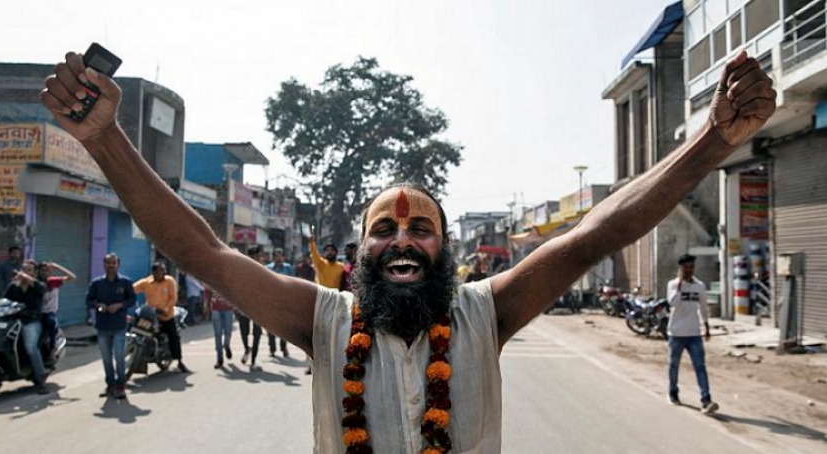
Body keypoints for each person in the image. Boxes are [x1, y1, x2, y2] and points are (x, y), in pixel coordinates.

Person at [43, 49, 775, 452]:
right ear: (360, 249)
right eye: (385, 230)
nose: (402, 239)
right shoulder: (322, 320)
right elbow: (204, 253)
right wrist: (106, 139)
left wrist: (711, 142)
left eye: (420, 229)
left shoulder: (486, 312)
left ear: (445, 247)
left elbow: (594, 236)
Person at [667, 254, 718, 414]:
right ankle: (673, 392)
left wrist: (707, 326)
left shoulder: (699, 286)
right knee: (674, 365)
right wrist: (680, 285)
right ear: (680, 269)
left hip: (694, 333)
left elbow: (703, 307)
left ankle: (706, 400)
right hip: (676, 333)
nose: (689, 270)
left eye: (691, 267)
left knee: (700, 366)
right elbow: (672, 302)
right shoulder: (673, 285)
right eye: (686, 267)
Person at [86, 253, 136, 399]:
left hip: (119, 325)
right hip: (102, 326)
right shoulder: (97, 283)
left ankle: (121, 385)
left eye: (113, 263)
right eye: (108, 263)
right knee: (106, 358)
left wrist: (119, 305)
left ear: (118, 264)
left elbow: (132, 300)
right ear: (104, 264)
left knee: (119, 356)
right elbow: (88, 300)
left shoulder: (125, 282)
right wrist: (98, 305)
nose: (111, 265)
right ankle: (110, 385)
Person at [3, 260, 49, 394]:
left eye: (29, 270)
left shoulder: (39, 285)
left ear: (34, 273)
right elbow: (4, 302)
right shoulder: (13, 286)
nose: (24, 272)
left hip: (31, 322)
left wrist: (25, 277)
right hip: (13, 322)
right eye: (23, 269)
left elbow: (41, 289)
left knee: (30, 347)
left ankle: (41, 380)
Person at [134, 262, 190, 373]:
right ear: (154, 272)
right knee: (137, 329)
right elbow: (132, 289)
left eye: (164, 270)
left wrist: (165, 309)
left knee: (173, 336)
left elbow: (173, 298)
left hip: (166, 316)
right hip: (150, 316)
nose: (164, 272)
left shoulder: (169, 281)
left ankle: (179, 361)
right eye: (161, 270)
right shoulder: (146, 282)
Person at [38, 261, 76, 362]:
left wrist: (57, 267)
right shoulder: (35, 283)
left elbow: (72, 277)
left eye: (47, 270)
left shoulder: (53, 282)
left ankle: (52, 350)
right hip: (37, 312)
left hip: (49, 312)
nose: (45, 273)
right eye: (43, 270)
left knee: (51, 324)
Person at [265, 248, 293, 358]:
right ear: (273, 257)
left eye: (281, 255)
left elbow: (293, 282)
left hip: (285, 301)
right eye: (277, 255)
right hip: (271, 301)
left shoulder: (288, 268)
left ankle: (283, 347)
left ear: (283, 257)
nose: (279, 257)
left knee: (284, 327)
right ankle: (272, 349)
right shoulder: (268, 268)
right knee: (270, 326)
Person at [205, 286, 233, 369]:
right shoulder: (213, 279)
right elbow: (207, 289)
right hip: (215, 308)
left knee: (228, 331)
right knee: (218, 334)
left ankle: (226, 345)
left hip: (228, 307)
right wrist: (206, 303)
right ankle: (219, 358)